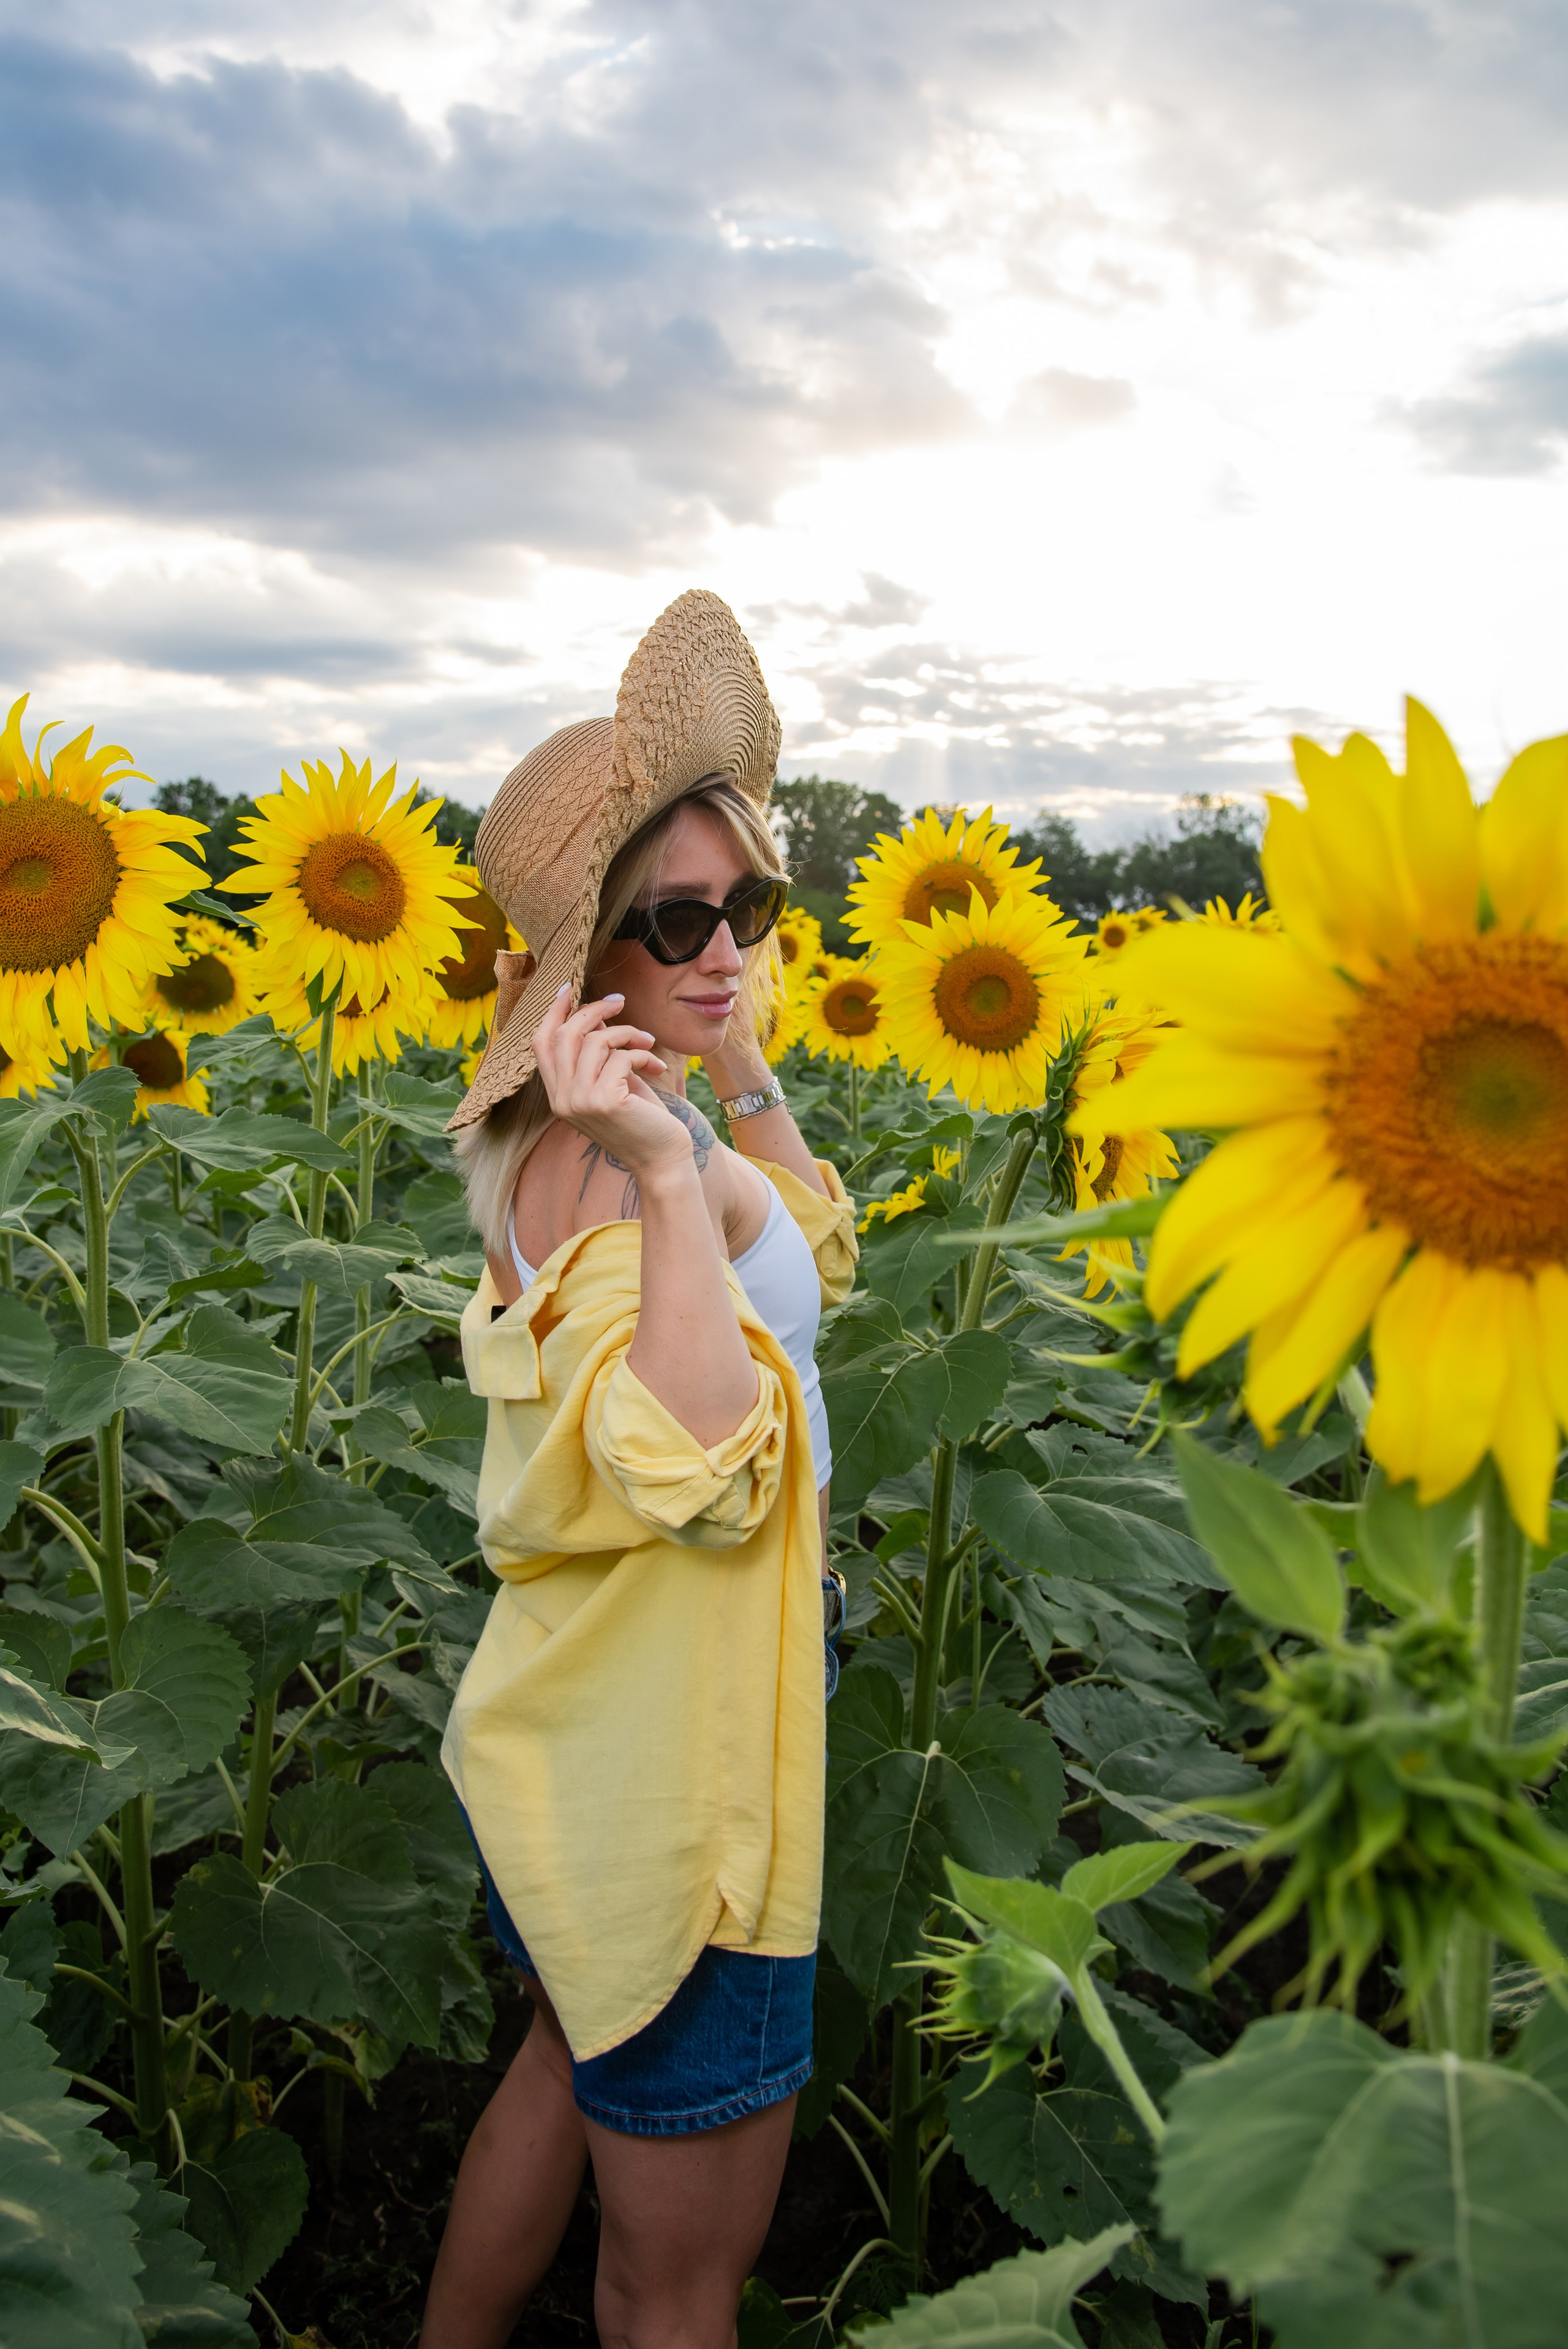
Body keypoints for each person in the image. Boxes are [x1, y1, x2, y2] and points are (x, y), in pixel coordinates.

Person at [420, 591, 858, 2349]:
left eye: (746, 903)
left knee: (557, 2050)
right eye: (680, 917)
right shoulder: (616, 1177)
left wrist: (736, 1081)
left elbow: (811, 1260)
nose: (726, 943)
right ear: (588, 951)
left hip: (586, 1739)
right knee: (677, 2277)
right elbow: (692, 1459)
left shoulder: (635, 1121)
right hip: (682, 1781)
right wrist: (674, 1180)